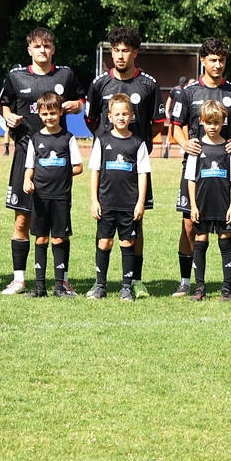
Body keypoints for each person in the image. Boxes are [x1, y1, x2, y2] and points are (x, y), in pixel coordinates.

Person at [0, 26, 85, 295]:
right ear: (29, 50)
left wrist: (76, 105)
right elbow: (4, 103)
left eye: (47, 46)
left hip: (56, 161)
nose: (42, 50)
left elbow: (81, 101)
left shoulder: (65, 75)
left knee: (59, 225)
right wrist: (7, 116)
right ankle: (19, 279)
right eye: (37, 46)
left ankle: (63, 281)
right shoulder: (16, 76)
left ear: (53, 49)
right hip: (26, 153)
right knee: (22, 220)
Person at [84, 26, 164, 298]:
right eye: (115, 50)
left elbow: (157, 124)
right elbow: (91, 121)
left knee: (136, 224)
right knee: (104, 225)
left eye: (125, 50)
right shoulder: (99, 83)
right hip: (108, 169)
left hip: (134, 166)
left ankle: (135, 281)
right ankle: (101, 282)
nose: (120, 55)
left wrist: (137, 141)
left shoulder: (148, 84)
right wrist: (108, 140)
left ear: (135, 53)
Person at [169, 38, 231, 298]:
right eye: (213, 60)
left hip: (224, 169)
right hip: (196, 166)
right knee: (189, 224)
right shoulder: (189, 92)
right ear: (203, 60)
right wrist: (185, 144)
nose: (218, 64)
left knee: (228, 224)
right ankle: (186, 281)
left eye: (222, 60)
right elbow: (176, 127)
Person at [88, 93, 152, 301]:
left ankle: (126, 287)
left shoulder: (137, 143)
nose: (121, 117)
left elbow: (142, 174)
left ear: (131, 116)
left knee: (127, 243)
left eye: (125, 114)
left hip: (128, 204)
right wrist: (94, 200)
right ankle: (100, 285)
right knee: (104, 242)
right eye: (117, 114)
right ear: (109, 117)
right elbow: (95, 172)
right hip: (106, 202)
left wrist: (140, 202)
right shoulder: (102, 141)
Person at [22, 92, 84, 298]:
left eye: (53, 113)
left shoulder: (68, 138)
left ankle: (59, 286)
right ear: (39, 114)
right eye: (45, 114)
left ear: (60, 113)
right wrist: (27, 180)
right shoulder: (35, 139)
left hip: (61, 197)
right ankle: (39, 287)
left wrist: (61, 173)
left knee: (58, 238)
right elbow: (30, 167)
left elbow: (78, 167)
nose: (49, 117)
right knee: (41, 239)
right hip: (40, 197)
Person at [185, 100, 231, 301]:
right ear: (201, 121)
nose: (212, 127)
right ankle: (199, 287)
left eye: (216, 123)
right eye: (209, 122)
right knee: (200, 242)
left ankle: (227, 288)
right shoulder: (196, 148)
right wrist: (193, 205)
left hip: (223, 205)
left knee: (225, 242)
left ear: (223, 122)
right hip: (202, 205)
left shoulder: (229, 149)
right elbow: (190, 179)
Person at [162, 76, 188, 159]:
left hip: (185, 115)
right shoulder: (175, 89)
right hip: (175, 115)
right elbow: (169, 100)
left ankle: (184, 147)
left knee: (185, 132)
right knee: (171, 131)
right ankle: (167, 149)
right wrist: (167, 111)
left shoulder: (188, 90)